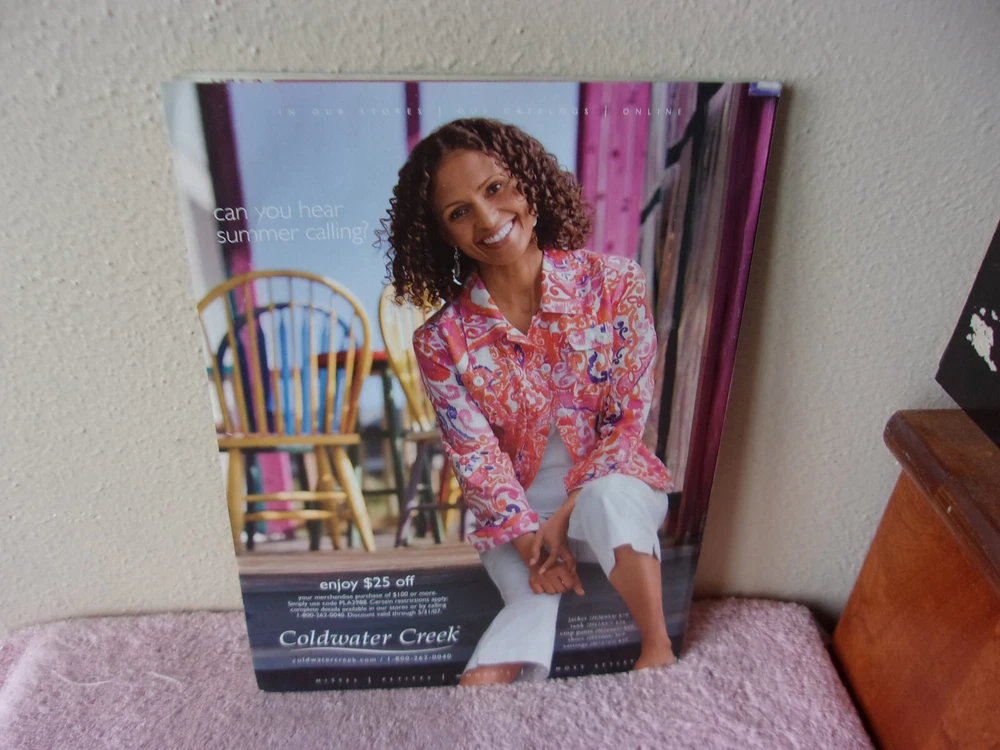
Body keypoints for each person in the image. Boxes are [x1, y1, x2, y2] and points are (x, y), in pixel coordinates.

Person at [382, 118, 676, 686]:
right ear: (443, 236)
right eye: (459, 212)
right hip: (516, 519)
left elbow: (626, 423)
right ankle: (478, 708)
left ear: (529, 186)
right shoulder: (441, 341)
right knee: (529, 603)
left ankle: (657, 649)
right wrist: (529, 540)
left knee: (609, 499)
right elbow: (475, 457)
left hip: (613, 490)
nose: (487, 218)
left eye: (495, 188)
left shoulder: (615, 283)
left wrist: (565, 517)